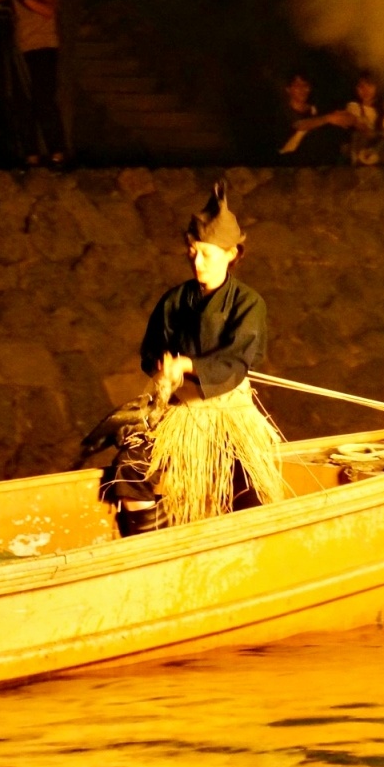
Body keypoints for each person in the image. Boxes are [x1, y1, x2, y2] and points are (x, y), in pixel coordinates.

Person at [109, 182, 285, 536]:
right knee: (130, 468)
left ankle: (247, 546)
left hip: (227, 416)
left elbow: (237, 361)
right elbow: (152, 350)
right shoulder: (175, 300)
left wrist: (189, 366)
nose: (197, 261)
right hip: (179, 414)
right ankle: (151, 547)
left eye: (207, 253)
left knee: (245, 481)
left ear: (232, 253)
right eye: (192, 251)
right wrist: (163, 365)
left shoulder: (248, 303)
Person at [11, 0, 68, 167]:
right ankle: (30, 154)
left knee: (44, 100)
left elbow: (47, 10)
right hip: (18, 48)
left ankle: (57, 151)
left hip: (42, 46)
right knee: (22, 103)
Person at [276, 71, 353, 165]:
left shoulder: (315, 110)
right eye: (297, 85)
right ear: (288, 89)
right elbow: (299, 125)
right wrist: (329, 118)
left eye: (305, 85)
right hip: (290, 167)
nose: (302, 89)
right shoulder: (283, 111)